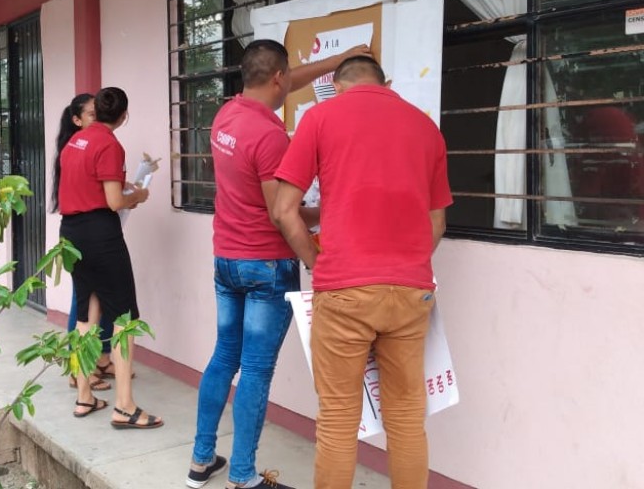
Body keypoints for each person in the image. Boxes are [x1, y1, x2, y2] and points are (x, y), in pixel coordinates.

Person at [187, 41, 371, 489]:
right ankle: (244, 476)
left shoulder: (228, 115)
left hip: (227, 260)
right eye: (287, 76)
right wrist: (326, 215)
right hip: (265, 265)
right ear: (277, 79)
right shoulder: (269, 137)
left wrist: (336, 61)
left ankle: (200, 461)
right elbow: (279, 211)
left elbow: (291, 77)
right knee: (254, 369)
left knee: (224, 356)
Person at [271, 55, 452, 489]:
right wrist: (404, 264)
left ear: (335, 84)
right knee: (407, 418)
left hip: (345, 289)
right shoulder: (426, 128)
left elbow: (283, 211)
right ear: (385, 83)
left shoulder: (320, 117)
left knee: (337, 421)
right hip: (411, 292)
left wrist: (318, 263)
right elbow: (437, 222)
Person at [58, 86, 162, 428]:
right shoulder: (109, 144)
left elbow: (91, 188)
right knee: (124, 316)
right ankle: (125, 406)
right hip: (100, 235)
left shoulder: (74, 142)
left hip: (71, 233)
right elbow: (115, 202)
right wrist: (141, 195)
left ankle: (84, 396)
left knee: (87, 313)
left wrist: (122, 191)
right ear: (123, 115)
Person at [51, 93, 119, 391]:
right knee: (84, 304)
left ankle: (100, 359)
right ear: (77, 120)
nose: (97, 117)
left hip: (83, 230)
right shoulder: (87, 146)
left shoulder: (83, 147)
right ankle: (78, 368)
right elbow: (108, 198)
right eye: (92, 113)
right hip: (91, 232)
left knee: (97, 302)